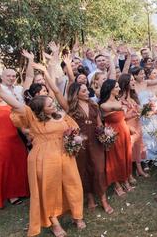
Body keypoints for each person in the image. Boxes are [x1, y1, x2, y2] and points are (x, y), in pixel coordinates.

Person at [0, 77, 86, 237]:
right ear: (41, 109)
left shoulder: (60, 115)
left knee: (73, 185)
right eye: (50, 104)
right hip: (43, 158)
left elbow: (73, 130)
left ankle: (77, 215)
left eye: (52, 103)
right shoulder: (33, 118)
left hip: (66, 155)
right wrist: (0, 90)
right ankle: (54, 223)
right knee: (49, 190)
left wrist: (74, 142)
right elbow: (15, 104)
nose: (54, 105)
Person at [66, 83, 113, 214]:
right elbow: (70, 128)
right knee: (84, 169)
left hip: (95, 141)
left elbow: (99, 123)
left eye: (87, 90)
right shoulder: (71, 109)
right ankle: (90, 197)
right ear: (76, 94)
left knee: (99, 170)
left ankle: (103, 199)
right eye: (84, 91)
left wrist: (105, 136)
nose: (88, 92)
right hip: (81, 144)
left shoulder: (93, 105)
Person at [99, 79, 134, 197]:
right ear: (110, 89)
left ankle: (125, 179)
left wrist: (131, 114)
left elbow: (121, 117)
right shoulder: (104, 105)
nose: (119, 89)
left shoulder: (118, 100)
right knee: (116, 158)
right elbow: (115, 108)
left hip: (123, 130)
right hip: (114, 134)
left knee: (125, 156)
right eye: (117, 87)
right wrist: (124, 105)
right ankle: (117, 185)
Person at [118, 74, 147, 178]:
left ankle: (139, 169)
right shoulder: (119, 99)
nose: (133, 82)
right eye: (131, 80)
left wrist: (144, 110)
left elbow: (139, 110)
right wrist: (129, 115)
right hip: (128, 125)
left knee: (138, 146)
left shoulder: (134, 96)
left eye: (134, 80)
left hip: (137, 123)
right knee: (129, 148)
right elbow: (119, 116)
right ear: (125, 83)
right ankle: (129, 173)